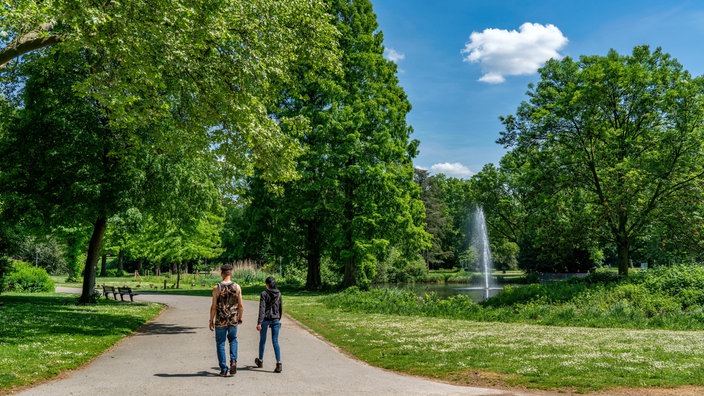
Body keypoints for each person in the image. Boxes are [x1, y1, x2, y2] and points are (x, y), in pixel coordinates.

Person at [209, 264, 244, 377]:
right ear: (231, 273)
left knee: (220, 343)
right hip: (233, 318)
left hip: (220, 319)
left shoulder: (217, 288)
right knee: (233, 339)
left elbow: (213, 306)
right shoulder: (237, 287)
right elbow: (241, 305)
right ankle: (233, 361)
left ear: (221, 273)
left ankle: (224, 369)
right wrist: (240, 317)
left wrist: (211, 320)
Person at [255, 276, 283, 373]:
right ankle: (278, 363)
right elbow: (280, 308)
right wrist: (278, 319)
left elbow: (262, 309)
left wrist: (259, 322)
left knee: (262, 340)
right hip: (276, 319)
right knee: (275, 341)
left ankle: (260, 360)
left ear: (267, 284)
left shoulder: (264, 294)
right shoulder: (279, 294)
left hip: (265, 319)